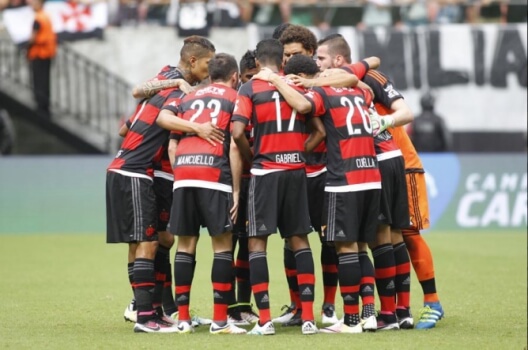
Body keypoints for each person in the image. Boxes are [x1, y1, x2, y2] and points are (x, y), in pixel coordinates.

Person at [262, 53, 381, 334]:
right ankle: (368, 312)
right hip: (371, 175)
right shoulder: (357, 92)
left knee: (345, 247)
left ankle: (351, 321)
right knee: (361, 246)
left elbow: (303, 104)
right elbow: (361, 78)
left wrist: (279, 82)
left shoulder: (321, 93)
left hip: (344, 178)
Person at [106, 35, 218, 333]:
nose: (210, 68)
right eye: (208, 62)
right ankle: (144, 315)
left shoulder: (171, 91)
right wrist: (196, 127)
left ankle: (151, 309)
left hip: (138, 170)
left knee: (155, 241)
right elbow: (137, 92)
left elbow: (123, 129)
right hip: (134, 170)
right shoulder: (171, 77)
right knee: (148, 242)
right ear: (193, 61)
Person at [232, 38, 323, 336]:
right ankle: (308, 318)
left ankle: (265, 320)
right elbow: (319, 131)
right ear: (282, 62)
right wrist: (299, 151)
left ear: (257, 62)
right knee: (299, 240)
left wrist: (252, 156)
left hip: (266, 172)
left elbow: (236, 132)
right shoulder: (296, 85)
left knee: (257, 243)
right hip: (296, 171)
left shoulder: (249, 88)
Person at [156, 53, 247, 335]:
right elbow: (233, 145)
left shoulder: (187, 97)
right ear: (235, 76)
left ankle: (182, 319)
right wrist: (235, 190)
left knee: (185, 246)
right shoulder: (235, 97)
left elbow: (171, 145)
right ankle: (220, 321)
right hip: (214, 175)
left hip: (183, 175)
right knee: (221, 245)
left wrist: (181, 174)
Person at [226, 49, 260, 325]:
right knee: (229, 242)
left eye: (256, 77)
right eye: (249, 77)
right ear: (239, 77)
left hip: (259, 180)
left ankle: (244, 304)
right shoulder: (235, 100)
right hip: (234, 180)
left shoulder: (265, 96)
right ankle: (227, 306)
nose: (253, 83)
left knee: (250, 245)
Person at [27, 0, 57, 119]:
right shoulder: (46, 16)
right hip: (47, 54)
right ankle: (45, 107)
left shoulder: (38, 19)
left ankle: (41, 108)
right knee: (45, 81)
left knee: (39, 82)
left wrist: (26, 48)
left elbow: (33, 38)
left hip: (39, 54)